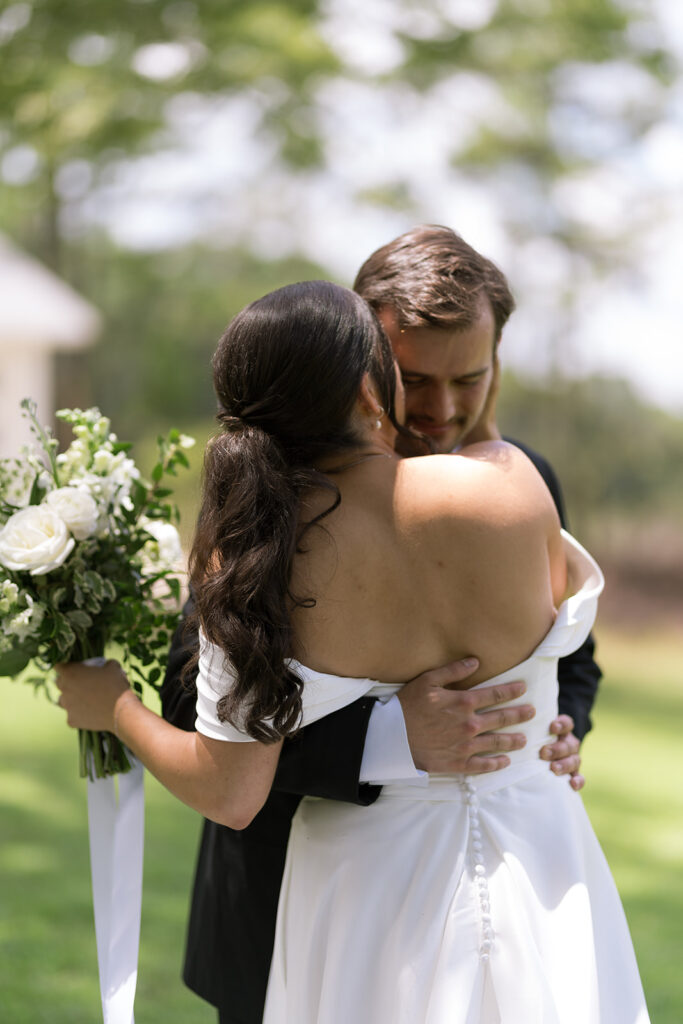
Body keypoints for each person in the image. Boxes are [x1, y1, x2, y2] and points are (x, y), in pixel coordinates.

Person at [57, 280, 648, 1023]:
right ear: (375, 390)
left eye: (469, 378)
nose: (438, 407)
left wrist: (109, 704)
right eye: (413, 379)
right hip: (538, 855)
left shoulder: (255, 549)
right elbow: (534, 630)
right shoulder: (515, 488)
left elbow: (229, 790)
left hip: (363, 881)